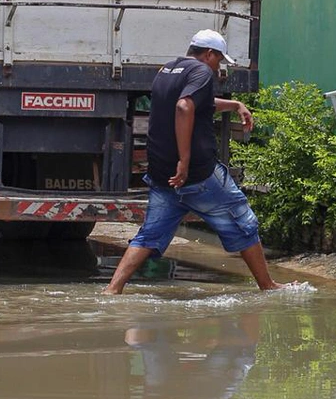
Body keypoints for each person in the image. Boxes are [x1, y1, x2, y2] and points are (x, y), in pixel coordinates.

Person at [103, 30, 285, 295]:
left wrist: (235, 105)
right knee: (243, 220)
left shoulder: (168, 70)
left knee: (149, 235)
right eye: (219, 60)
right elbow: (185, 107)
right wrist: (185, 161)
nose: (218, 67)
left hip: (162, 173)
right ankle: (268, 286)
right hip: (197, 175)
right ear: (209, 54)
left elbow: (199, 103)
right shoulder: (202, 73)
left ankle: (113, 289)